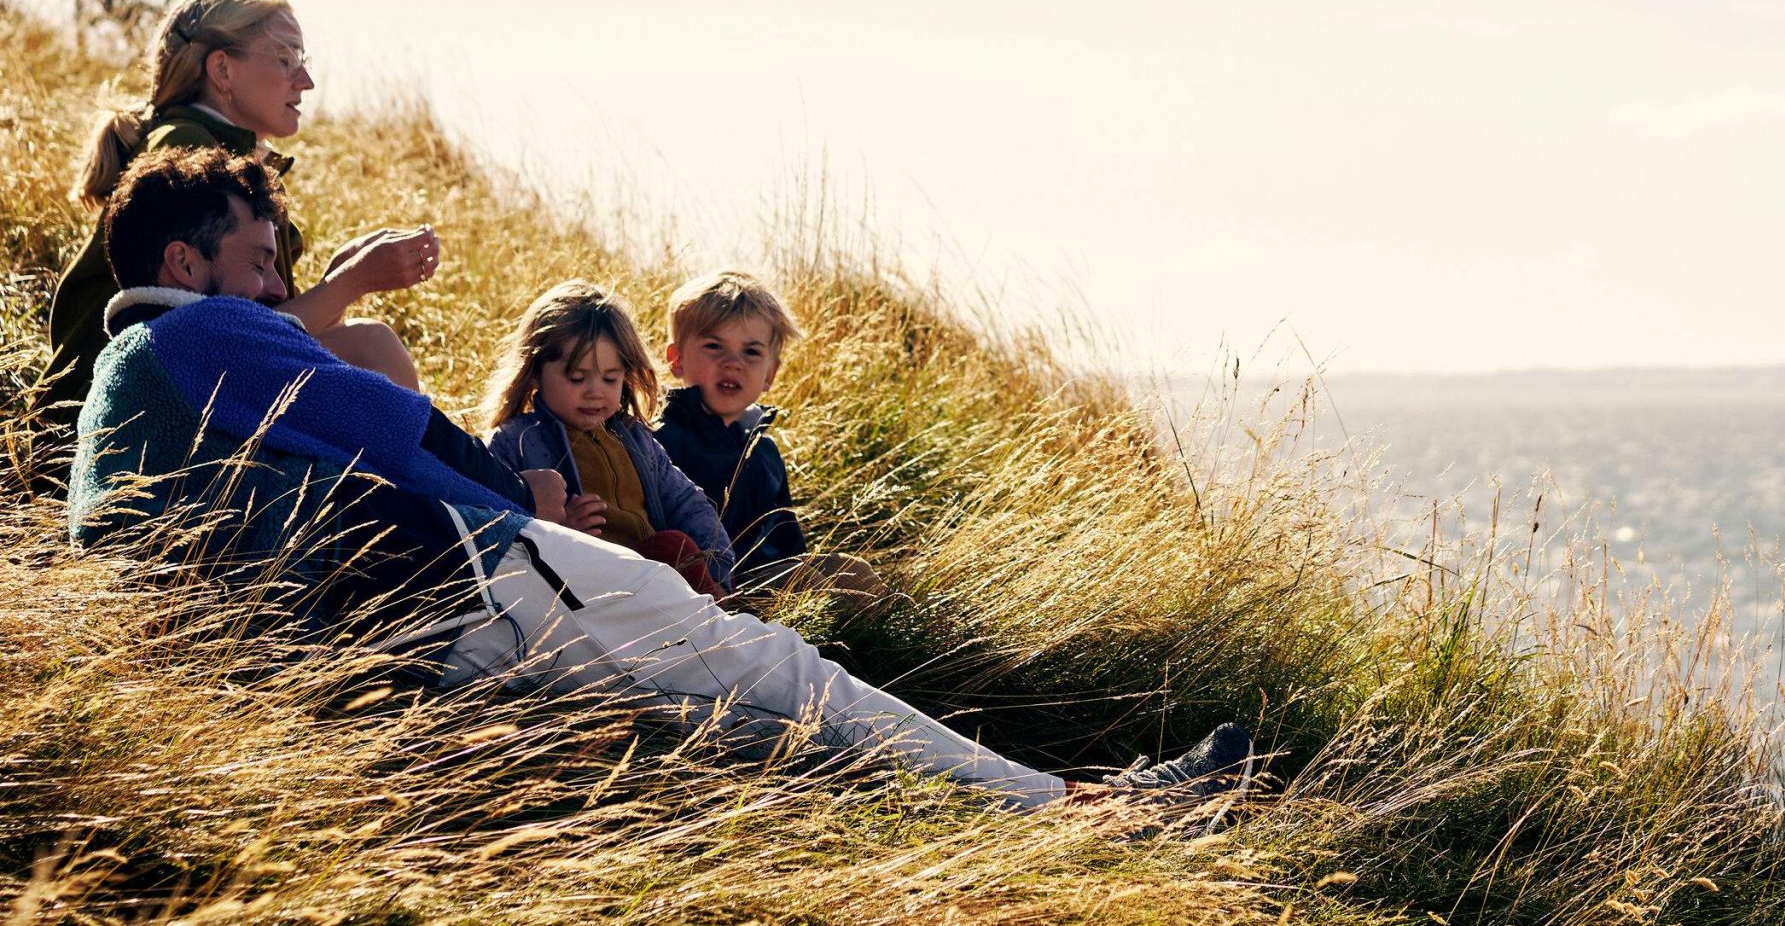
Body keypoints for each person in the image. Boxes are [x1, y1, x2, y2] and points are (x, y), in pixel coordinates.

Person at [68, 145, 1254, 812]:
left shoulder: (128, 390)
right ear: (187, 262)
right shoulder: (197, 332)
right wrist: (513, 506)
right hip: (462, 581)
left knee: (718, 718)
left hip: (375, 631)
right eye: (263, 263)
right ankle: (1076, 810)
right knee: (771, 666)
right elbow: (402, 429)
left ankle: (1019, 813)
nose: (280, 290)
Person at [42, 0, 432, 432]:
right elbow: (223, 341)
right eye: (284, 59)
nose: (304, 81)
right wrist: (351, 282)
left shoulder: (233, 160)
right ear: (222, 69)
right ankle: (442, 490)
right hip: (117, 416)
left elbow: (263, 332)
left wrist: (341, 279)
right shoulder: (186, 154)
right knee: (370, 349)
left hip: (169, 396)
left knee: (361, 351)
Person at [482, 282, 736, 597]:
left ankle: (719, 611)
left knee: (672, 546)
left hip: (655, 575)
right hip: (583, 588)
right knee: (671, 547)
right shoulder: (515, 441)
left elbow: (688, 503)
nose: (595, 391)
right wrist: (562, 531)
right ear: (534, 372)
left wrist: (718, 568)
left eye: (610, 378)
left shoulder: (635, 439)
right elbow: (493, 528)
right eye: (577, 377)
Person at [652, 269, 827, 592]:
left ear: (770, 373)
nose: (733, 363)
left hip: (769, 579)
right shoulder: (661, 438)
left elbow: (789, 542)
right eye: (714, 346)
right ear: (676, 360)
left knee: (846, 572)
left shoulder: (763, 450)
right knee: (816, 584)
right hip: (710, 587)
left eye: (751, 352)